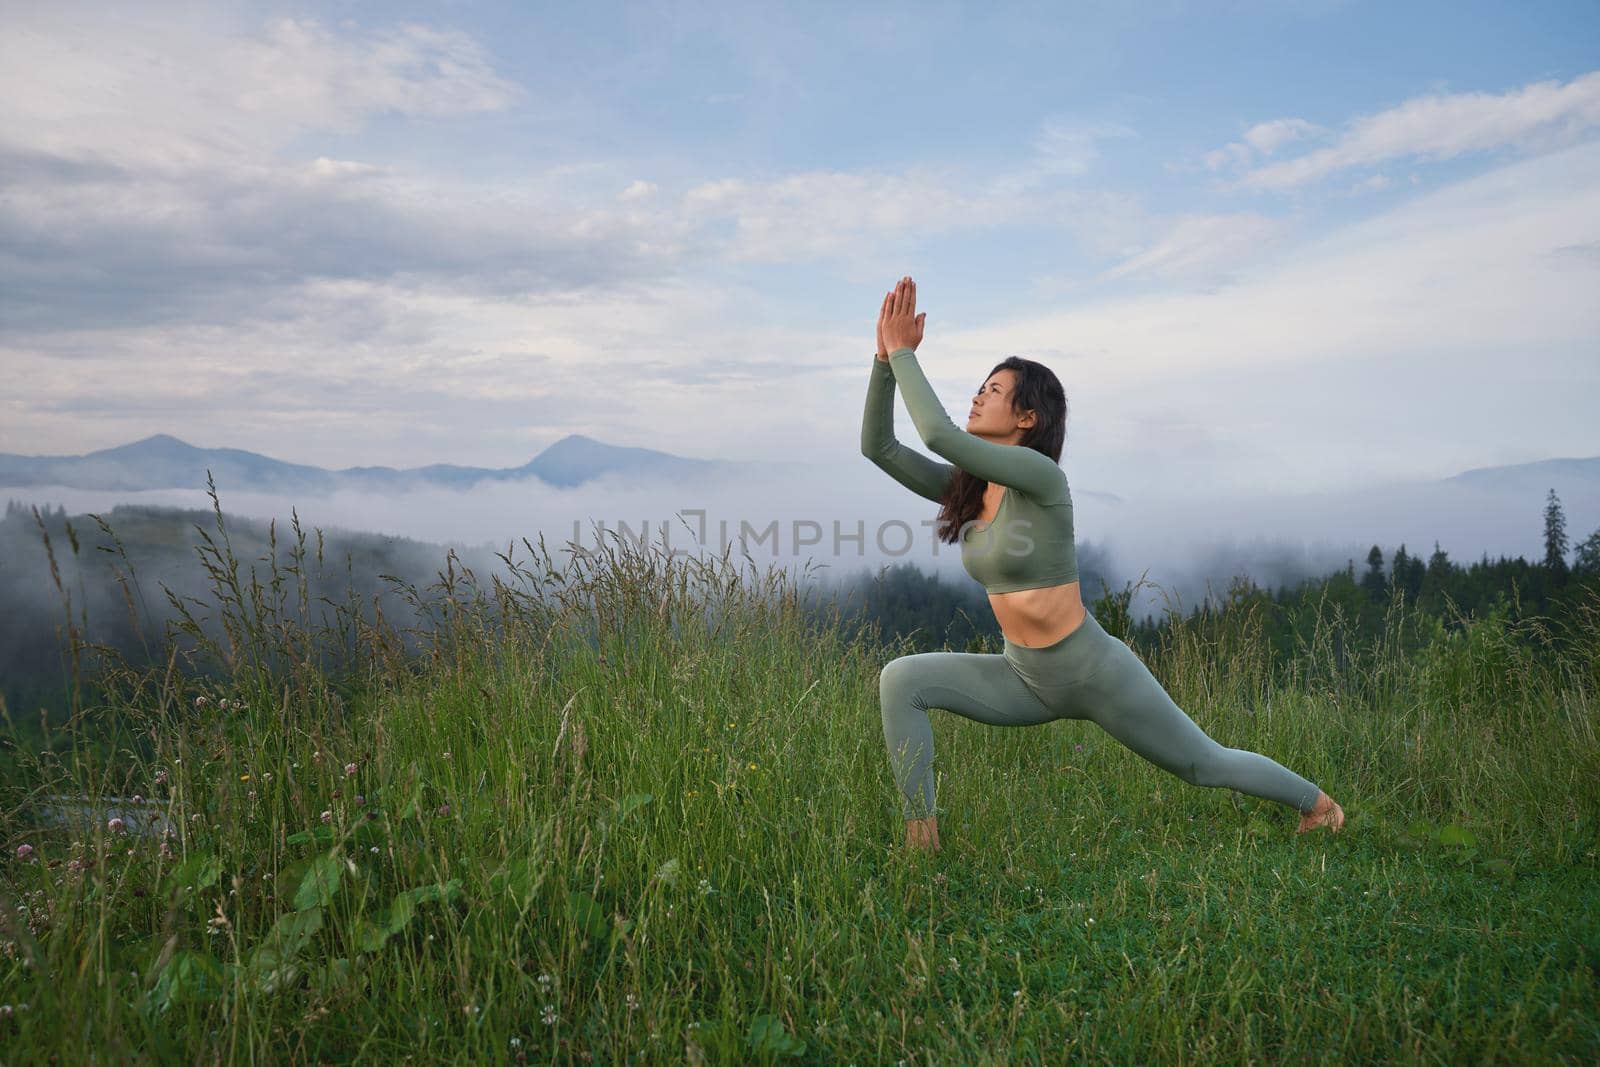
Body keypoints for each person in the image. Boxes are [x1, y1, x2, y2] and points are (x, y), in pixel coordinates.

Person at [862, 275, 1344, 852]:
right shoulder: (969, 490)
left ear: (1027, 418)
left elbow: (936, 432)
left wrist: (906, 352)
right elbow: (879, 448)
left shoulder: (1043, 480)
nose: (977, 396)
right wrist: (883, 363)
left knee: (1203, 764)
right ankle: (923, 841)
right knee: (901, 680)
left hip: (1094, 672)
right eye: (979, 387)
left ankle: (1319, 806)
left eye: (993, 389)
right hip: (1023, 677)